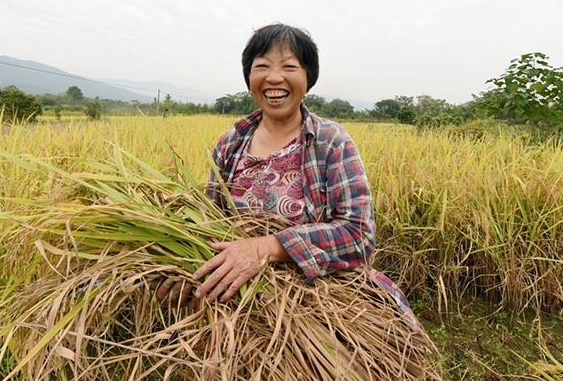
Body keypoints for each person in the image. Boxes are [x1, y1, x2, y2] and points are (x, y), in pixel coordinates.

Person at [157, 23, 416, 326]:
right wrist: (184, 271)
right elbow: (207, 222)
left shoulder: (331, 141)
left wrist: (267, 248)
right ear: (250, 77)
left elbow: (358, 234)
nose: (274, 77)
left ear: (308, 78)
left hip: (319, 301)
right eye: (262, 66)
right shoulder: (231, 142)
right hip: (237, 304)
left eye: (289, 66)